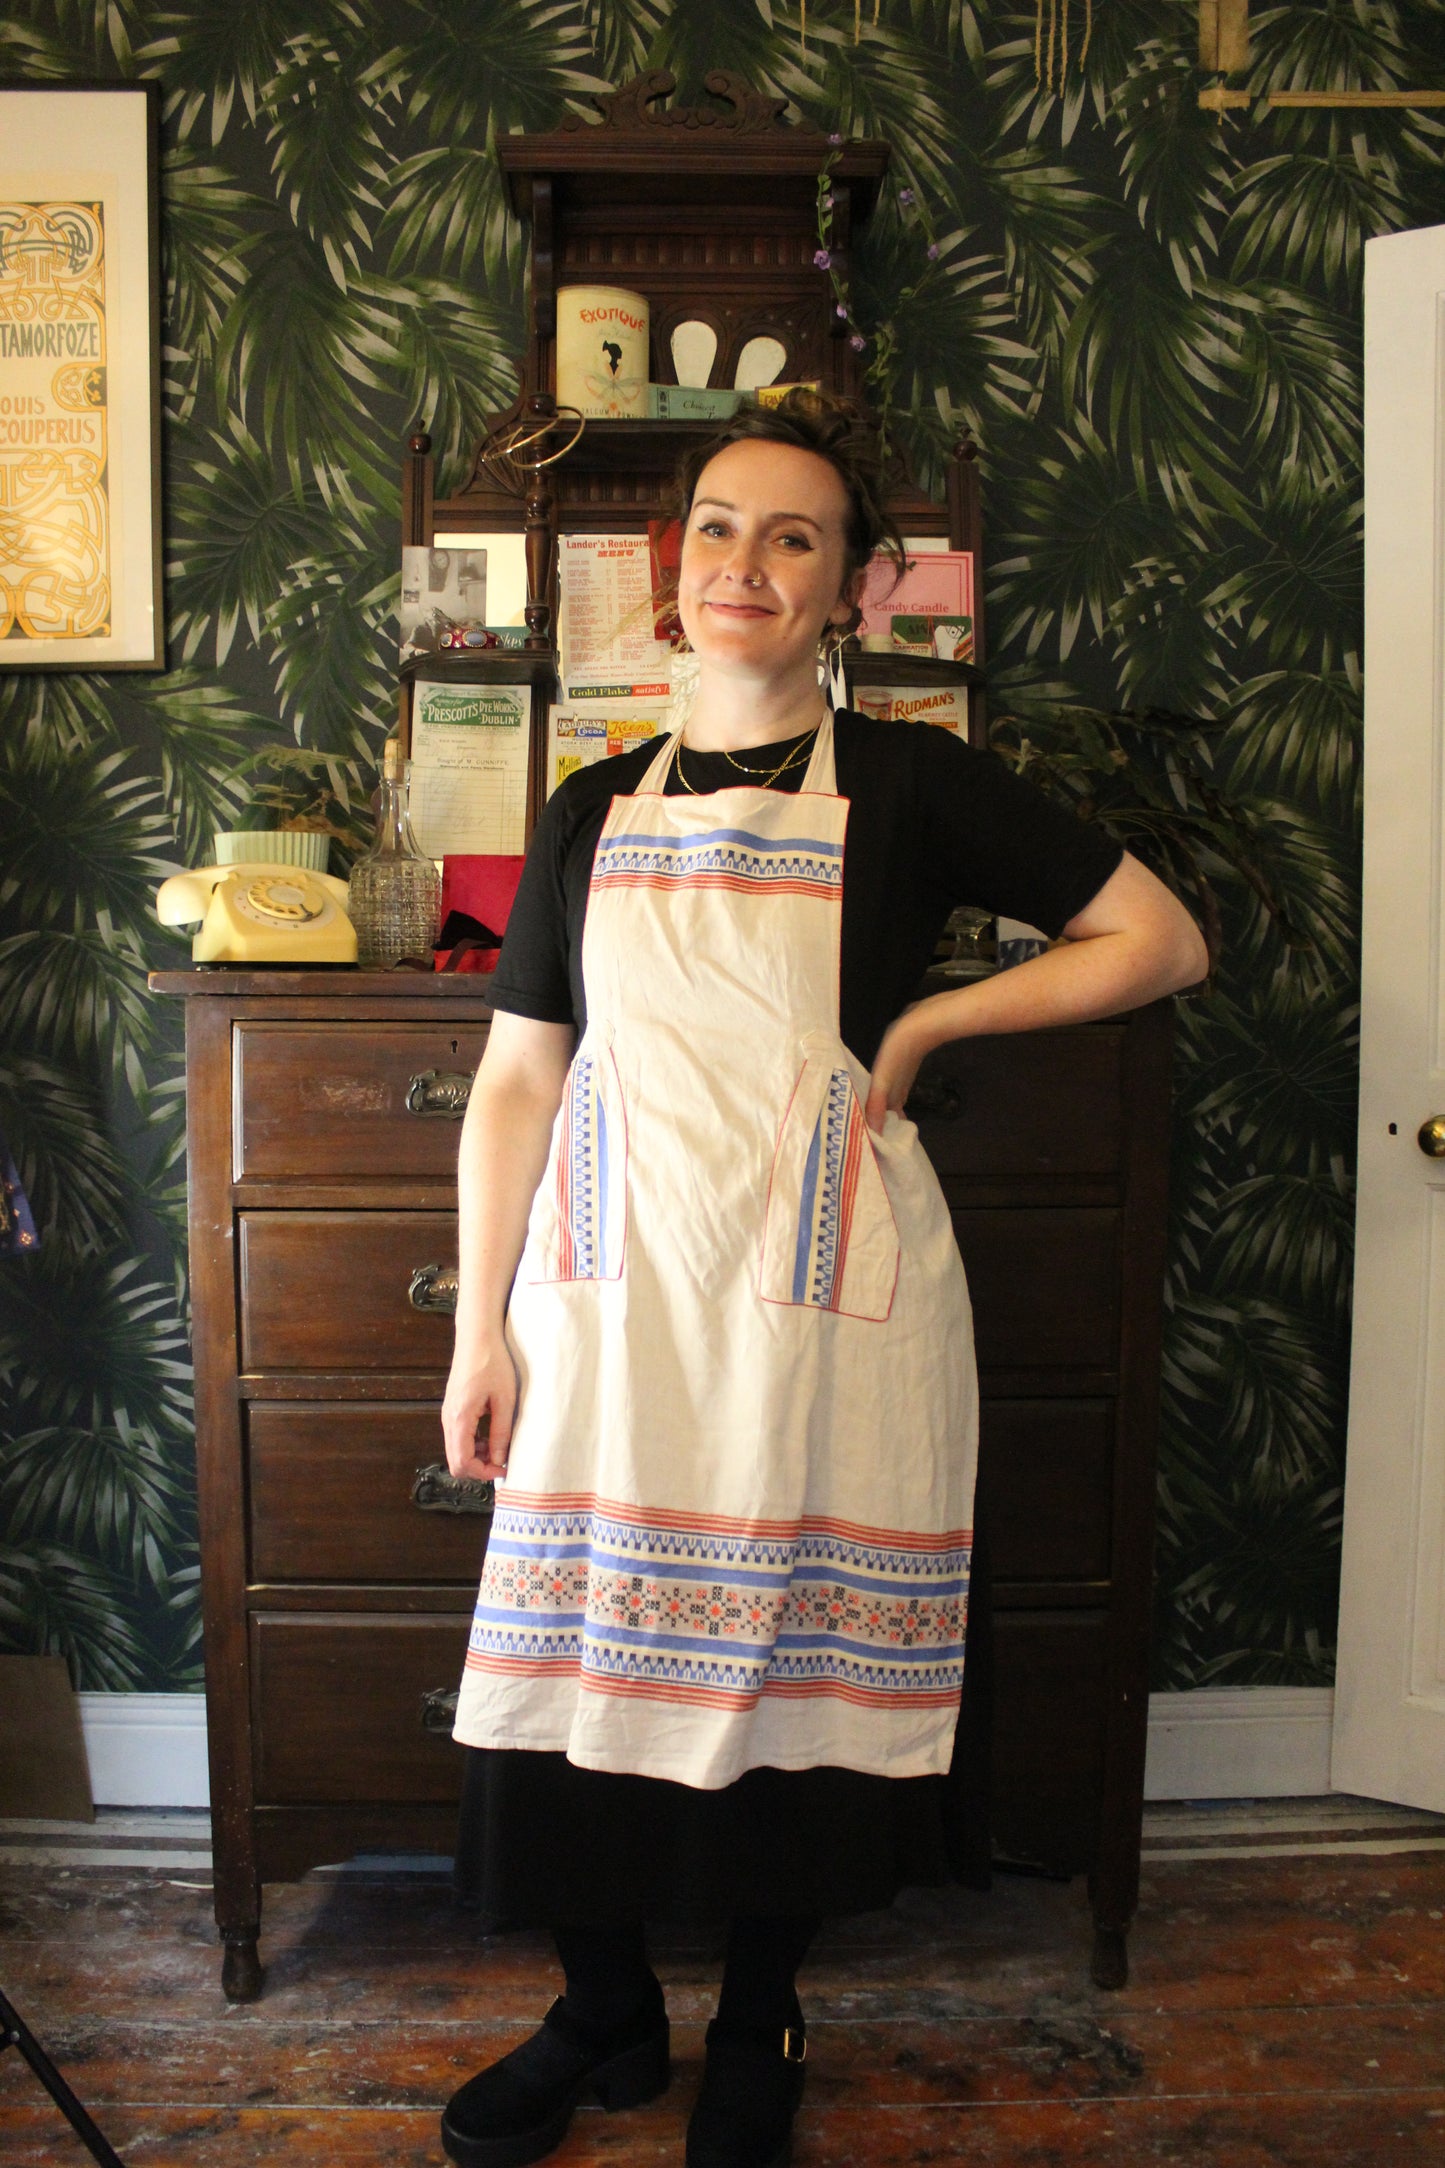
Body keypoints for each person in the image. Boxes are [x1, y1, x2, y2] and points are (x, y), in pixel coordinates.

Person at [438, 391, 1207, 2168]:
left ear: (851, 589)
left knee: (792, 1673)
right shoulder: (582, 808)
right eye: (718, 527)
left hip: (814, 1309)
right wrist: (479, 1326)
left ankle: (760, 2009)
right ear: (667, 564)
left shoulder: (918, 786)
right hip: (608, 1304)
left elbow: (1159, 938)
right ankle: (603, 2008)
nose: (746, 565)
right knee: (570, 1675)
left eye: (793, 538)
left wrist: (930, 1018)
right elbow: (516, 1081)